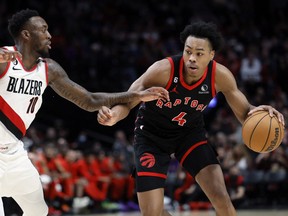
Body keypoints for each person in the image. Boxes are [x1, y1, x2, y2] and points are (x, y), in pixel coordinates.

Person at [97, 20, 285, 216]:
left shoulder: (220, 76)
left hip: (189, 133)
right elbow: (128, 100)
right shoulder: (162, 70)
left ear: (211, 55)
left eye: (199, 53)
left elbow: (246, 113)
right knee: (152, 213)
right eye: (188, 51)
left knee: (222, 199)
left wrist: (260, 112)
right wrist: (113, 116)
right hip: (151, 137)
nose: (192, 58)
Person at [0, 9, 169, 216]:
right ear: (26, 34)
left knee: (38, 211)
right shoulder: (3, 59)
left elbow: (89, 100)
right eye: (43, 30)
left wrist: (136, 96)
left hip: (15, 154)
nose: (49, 35)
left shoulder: (49, 69)